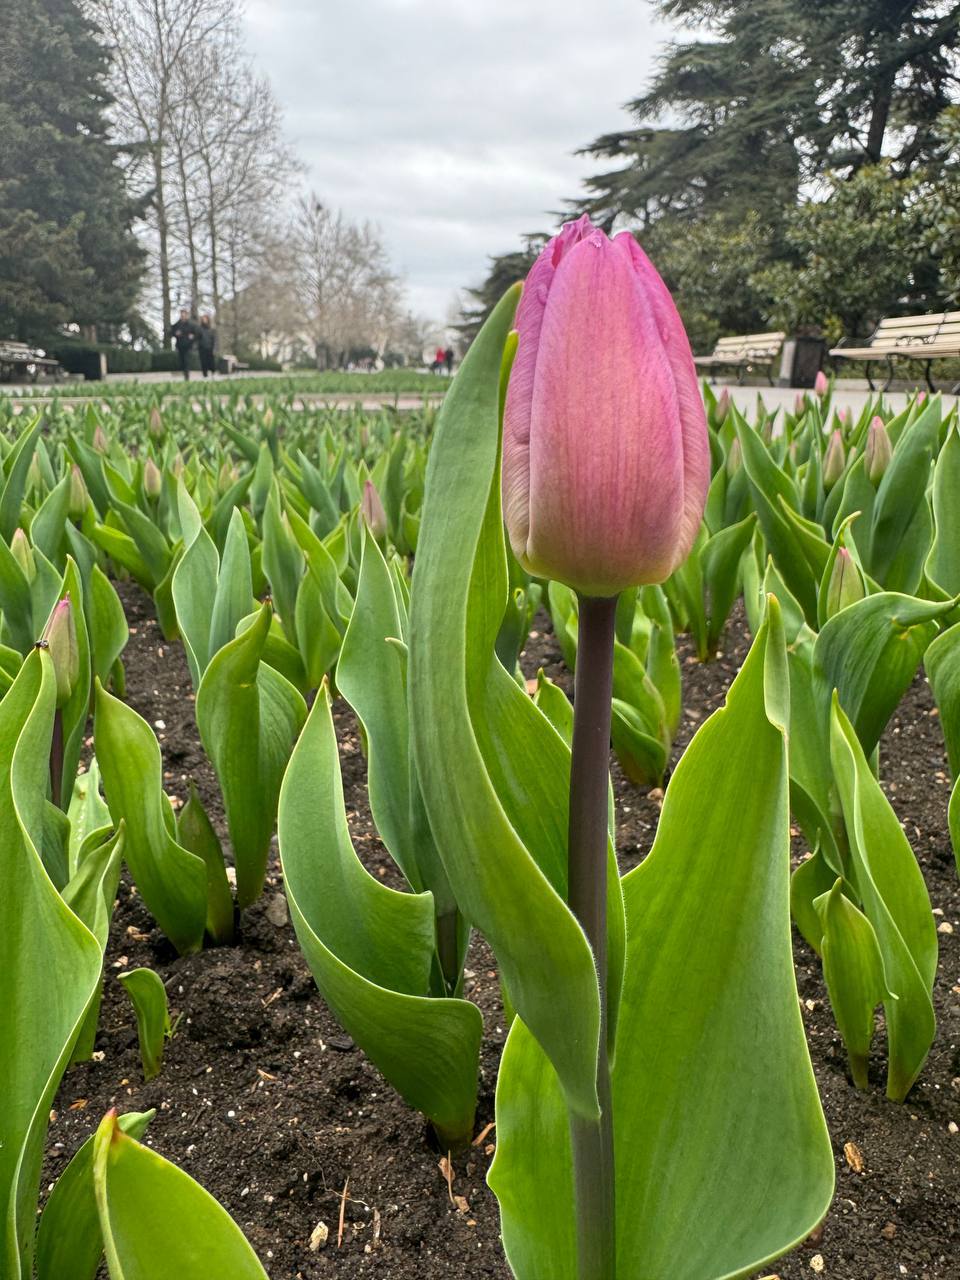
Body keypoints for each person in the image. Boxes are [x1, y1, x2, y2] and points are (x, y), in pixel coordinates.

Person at [170, 309, 198, 381]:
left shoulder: (191, 325)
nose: (183, 316)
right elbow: (171, 333)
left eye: (184, 314)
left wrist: (193, 336)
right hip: (180, 345)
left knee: (186, 360)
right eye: (181, 315)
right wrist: (176, 334)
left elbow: (196, 334)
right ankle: (184, 374)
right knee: (182, 361)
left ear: (187, 315)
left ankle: (187, 376)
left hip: (188, 346)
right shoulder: (177, 324)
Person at [197, 314, 217, 378]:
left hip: (210, 348)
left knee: (211, 361)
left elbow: (214, 339)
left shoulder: (211, 329)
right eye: (203, 319)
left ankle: (213, 373)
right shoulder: (199, 329)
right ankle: (205, 375)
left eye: (205, 319)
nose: (204, 320)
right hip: (202, 348)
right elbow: (197, 338)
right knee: (203, 362)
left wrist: (214, 348)